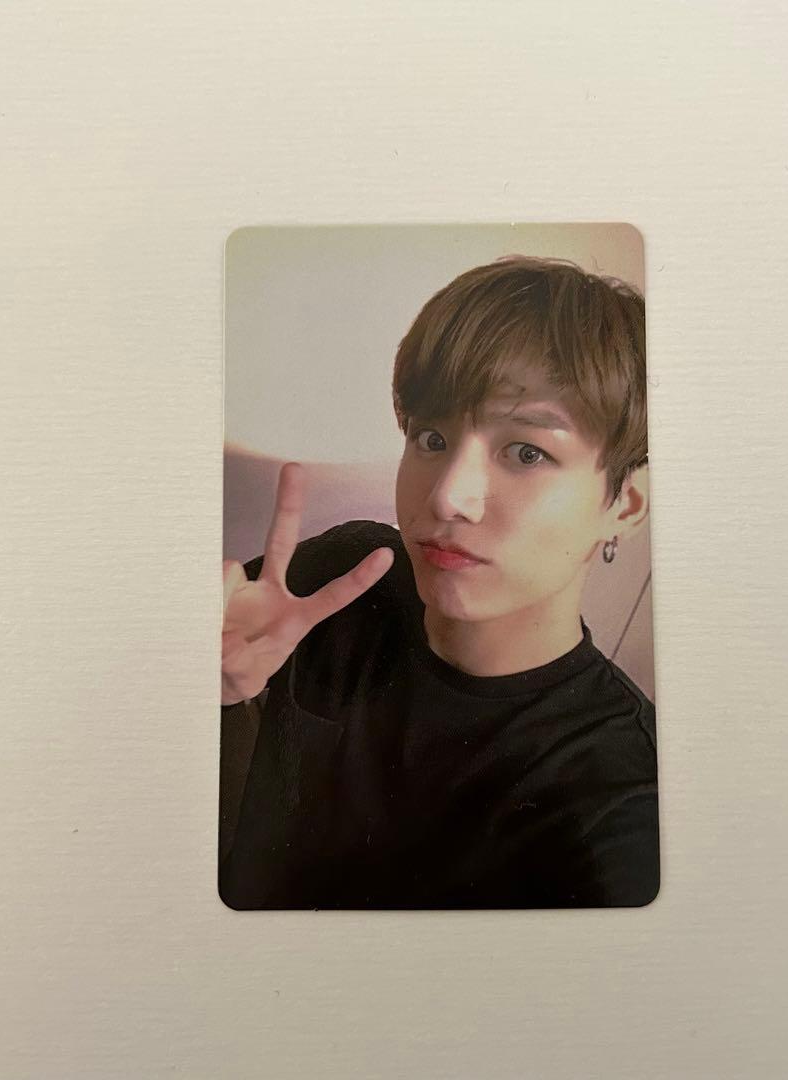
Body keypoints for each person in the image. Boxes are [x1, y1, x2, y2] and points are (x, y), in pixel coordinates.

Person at [219, 255, 658, 909]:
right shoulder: (346, 576)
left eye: (527, 452)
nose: (448, 496)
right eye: (431, 437)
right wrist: (203, 687)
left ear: (624, 504)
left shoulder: (619, 793)